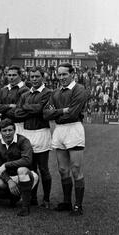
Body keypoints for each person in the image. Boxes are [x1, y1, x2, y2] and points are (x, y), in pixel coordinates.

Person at [43, 63, 90, 216]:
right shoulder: (55, 92)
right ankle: (67, 202)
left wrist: (55, 113)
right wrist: (62, 110)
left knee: (76, 169)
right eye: (59, 75)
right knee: (63, 170)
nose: (62, 77)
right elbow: (46, 114)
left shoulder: (79, 90)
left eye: (65, 74)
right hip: (59, 130)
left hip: (74, 129)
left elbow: (73, 114)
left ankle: (78, 206)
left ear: (72, 74)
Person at [12, 66, 53, 208]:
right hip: (27, 133)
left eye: (37, 76)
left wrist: (26, 108)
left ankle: (46, 199)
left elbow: (42, 110)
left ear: (43, 77)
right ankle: (33, 198)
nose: (34, 79)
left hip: (41, 132)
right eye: (32, 77)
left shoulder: (48, 93)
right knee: (30, 168)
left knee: (43, 168)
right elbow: (17, 113)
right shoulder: (24, 95)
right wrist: (33, 109)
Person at [0, 119, 38, 217]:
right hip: (9, 177)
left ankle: (25, 208)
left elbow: (27, 160)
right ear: (0, 132)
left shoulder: (23, 141)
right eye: (4, 131)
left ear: (14, 130)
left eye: (10, 130)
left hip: (27, 175)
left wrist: (6, 165)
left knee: (21, 170)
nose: (7, 133)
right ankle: (13, 197)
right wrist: (9, 181)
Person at [0, 65, 29, 138]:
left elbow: (19, 111)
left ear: (20, 76)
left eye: (14, 75)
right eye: (9, 75)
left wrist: (2, 110)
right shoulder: (3, 90)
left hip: (17, 125)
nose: (11, 77)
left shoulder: (25, 90)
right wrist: (8, 106)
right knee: (0, 148)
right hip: (2, 125)